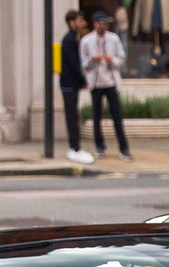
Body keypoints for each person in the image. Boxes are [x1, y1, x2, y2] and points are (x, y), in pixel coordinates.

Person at [81, 8, 130, 159]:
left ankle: (124, 148)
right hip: (96, 84)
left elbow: (121, 58)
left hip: (111, 83)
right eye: (103, 23)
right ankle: (100, 147)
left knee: (117, 117)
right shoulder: (86, 41)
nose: (105, 26)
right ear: (96, 24)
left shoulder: (114, 39)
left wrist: (112, 60)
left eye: (107, 23)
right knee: (97, 117)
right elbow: (83, 63)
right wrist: (92, 60)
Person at [56, 9, 93, 165]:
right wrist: (83, 80)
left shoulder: (72, 38)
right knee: (72, 117)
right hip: (69, 84)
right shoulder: (70, 39)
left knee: (72, 116)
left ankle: (75, 147)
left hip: (69, 84)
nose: (83, 22)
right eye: (79, 20)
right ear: (72, 22)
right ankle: (75, 148)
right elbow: (74, 63)